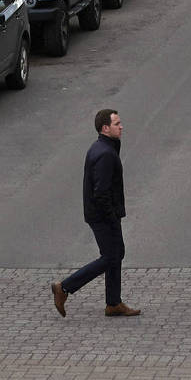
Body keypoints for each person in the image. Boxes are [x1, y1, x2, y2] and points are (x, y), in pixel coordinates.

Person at [51, 108, 136, 317]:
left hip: (103, 214)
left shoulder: (105, 147)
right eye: (117, 124)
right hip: (103, 216)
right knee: (110, 257)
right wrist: (112, 217)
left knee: (116, 254)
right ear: (105, 128)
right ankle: (64, 288)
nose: (121, 126)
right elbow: (101, 192)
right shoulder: (105, 154)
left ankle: (113, 303)